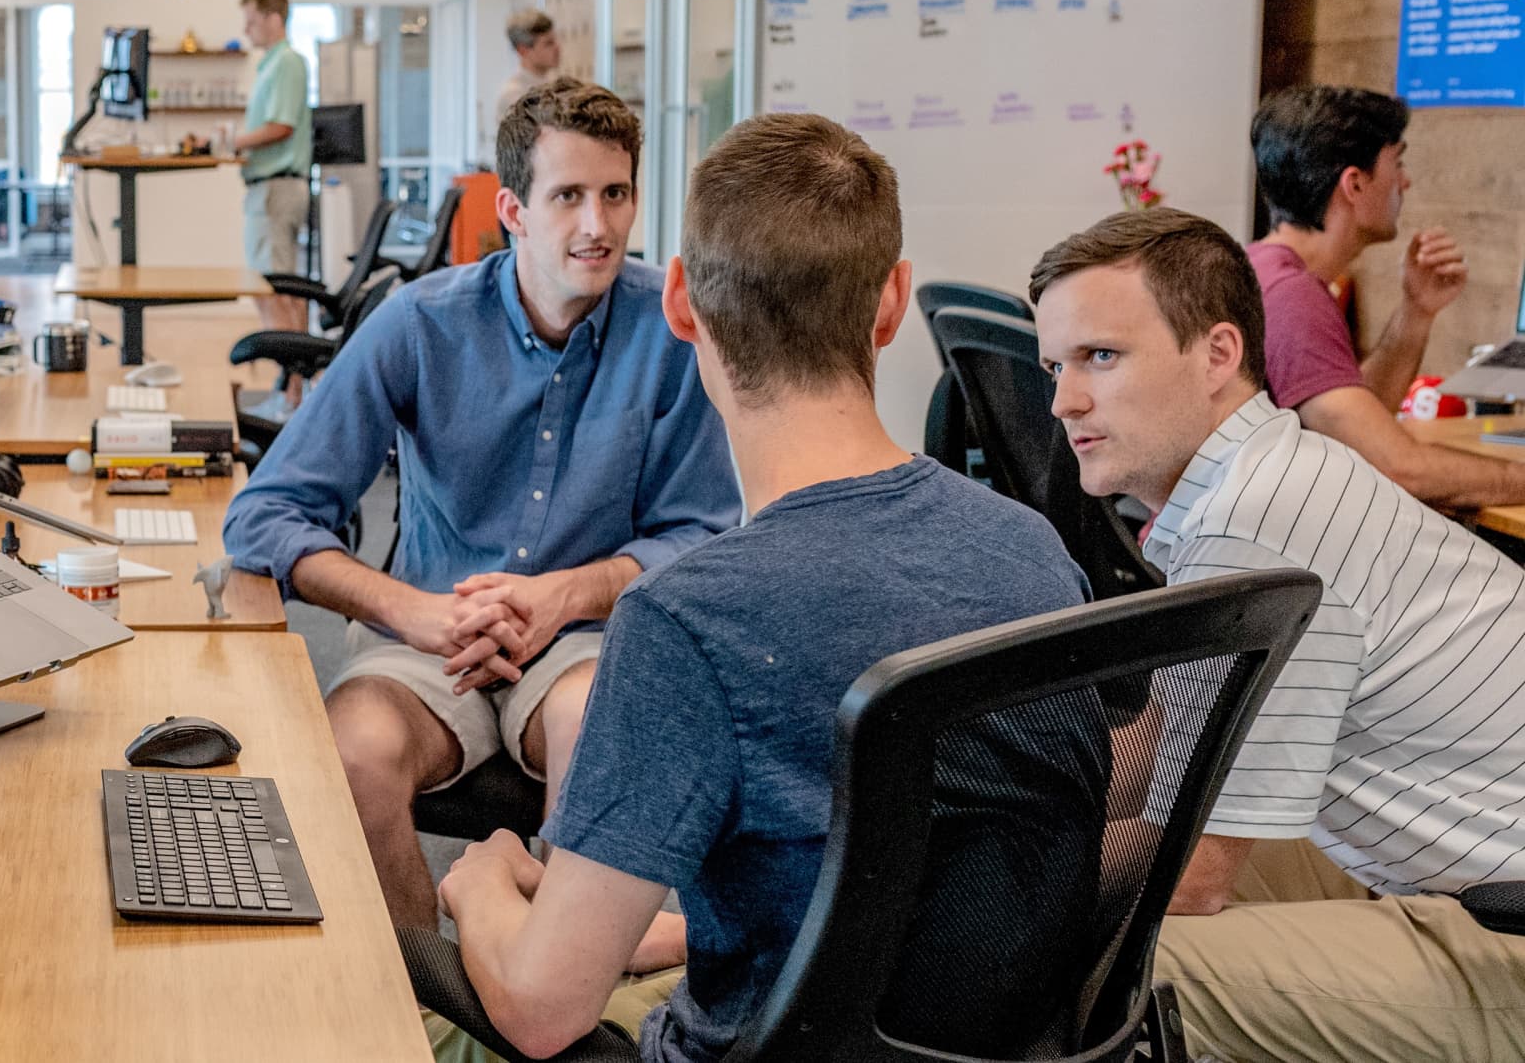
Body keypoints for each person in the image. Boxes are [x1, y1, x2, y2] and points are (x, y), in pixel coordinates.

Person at [429, 112, 1107, 1063]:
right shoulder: (1032, 552)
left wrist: (481, 885)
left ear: (677, 303)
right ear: (892, 302)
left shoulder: (689, 620)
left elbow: (544, 1011)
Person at [223, 79, 740, 934]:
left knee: (596, 731)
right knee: (353, 753)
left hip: (584, 639)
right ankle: (428, 997)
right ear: (513, 209)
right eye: (567, 196)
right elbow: (265, 514)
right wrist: (410, 611)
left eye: (616, 195)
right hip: (429, 633)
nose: (597, 226)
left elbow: (707, 534)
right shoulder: (419, 325)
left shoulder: (674, 331)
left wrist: (566, 596)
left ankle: (549, 988)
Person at [1031, 207, 1525, 1062]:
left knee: (1114, 962)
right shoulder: (1263, 477)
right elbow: (1167, 750)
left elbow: (1193, 877)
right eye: (1055, 366)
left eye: (1101, 358)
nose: (1063, 401)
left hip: (1500, 932)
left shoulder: (1255, 522)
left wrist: (959, 896)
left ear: (1219, 354)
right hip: (1460, 874)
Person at [1247, 84, 1525, 506]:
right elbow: (1396, 466)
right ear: (1354, 184)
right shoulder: (1291, 298)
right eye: (1397, 163)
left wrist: (1417, 311)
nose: (1405, 181)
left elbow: (1357, 427)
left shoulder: (1266, 269)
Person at [234, 0, 313, 332]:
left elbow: (281, 126)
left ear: (274, 18)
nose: (245, 30)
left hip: (276, 189)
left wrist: (234, 142)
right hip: (269, 188)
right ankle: (294, 380)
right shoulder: (271, 65)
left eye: (251, 22)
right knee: (277, 289)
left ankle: (292, 384)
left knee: (274, 291)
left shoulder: (286, 62)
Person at [495, 9, 564, 115]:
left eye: (555, 40)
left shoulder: (556, 83)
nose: (557, 47)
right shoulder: (514, 96)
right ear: (523, 50)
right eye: (548, 43)